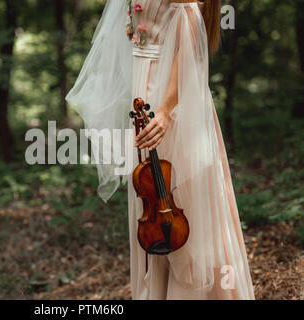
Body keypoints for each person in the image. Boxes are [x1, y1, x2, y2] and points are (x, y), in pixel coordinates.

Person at [66, 0, 255, 300]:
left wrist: (166, 110)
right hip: (144, 93)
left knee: (182, 196)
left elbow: (191, 42)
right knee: (151, 197)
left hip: (172, 94)